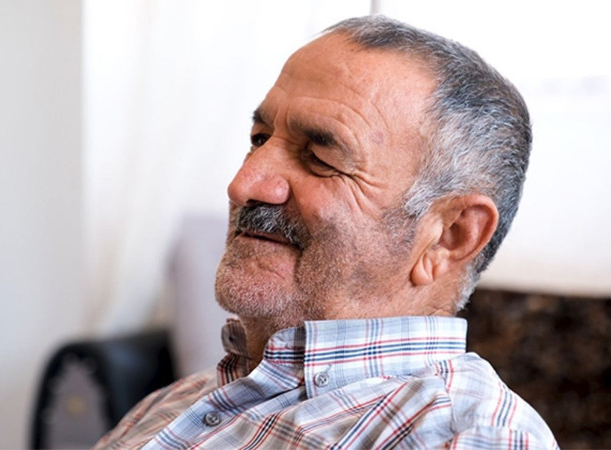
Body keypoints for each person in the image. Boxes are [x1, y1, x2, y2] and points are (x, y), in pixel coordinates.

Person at [95, 15, 558, 449]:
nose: (244, 184)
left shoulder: (466, 435)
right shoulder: (174, 403)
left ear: (449, 236)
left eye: (320, 158)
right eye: (259, 139)